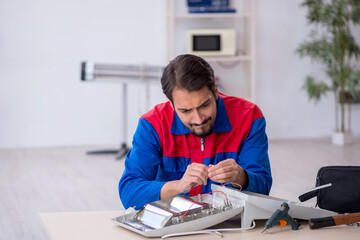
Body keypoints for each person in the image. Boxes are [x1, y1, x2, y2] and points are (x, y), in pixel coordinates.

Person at [119, 54, 272, 210]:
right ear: (171, 104)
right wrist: (178, 186)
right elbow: (129, 193)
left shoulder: (249, 117)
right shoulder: (152, 125)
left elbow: (264, 188)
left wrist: (242, 177)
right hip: (172, 229)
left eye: (204, 105)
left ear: (216, 91)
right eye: (185, 111)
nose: (198, 119)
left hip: (231, 225)